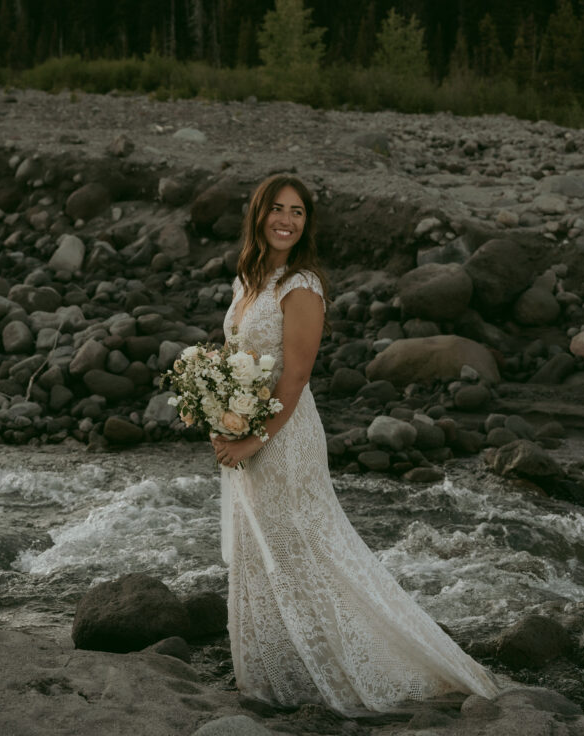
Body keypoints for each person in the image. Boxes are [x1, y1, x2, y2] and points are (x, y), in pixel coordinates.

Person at [209, 174, 500, 714]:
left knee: (311, 547)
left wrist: (252, 440)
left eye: (297, 212)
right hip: (249, 425)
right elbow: (233, 362)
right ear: (258, 215)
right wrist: (220, 413)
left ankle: (369, 668)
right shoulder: (248, 282)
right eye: (277, 209)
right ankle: (282, 674)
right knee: (266, 549)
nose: (286, 220)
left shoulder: (302, 286)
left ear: (306, 223)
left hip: (284, 435)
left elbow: (293, 378)